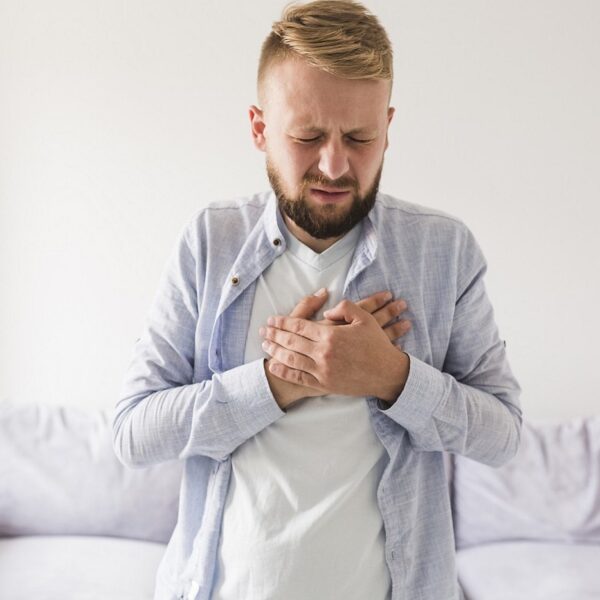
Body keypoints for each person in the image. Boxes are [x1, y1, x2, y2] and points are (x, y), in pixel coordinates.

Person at [113, 1, 522, 599]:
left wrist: (392, 377)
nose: (335, 165)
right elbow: (133, 433)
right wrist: (281, 382)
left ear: (388, 125)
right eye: (307, 137)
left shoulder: (444, 250)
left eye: (360, 138)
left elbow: (503, 435)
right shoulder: (212, 240)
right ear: (259, 128)